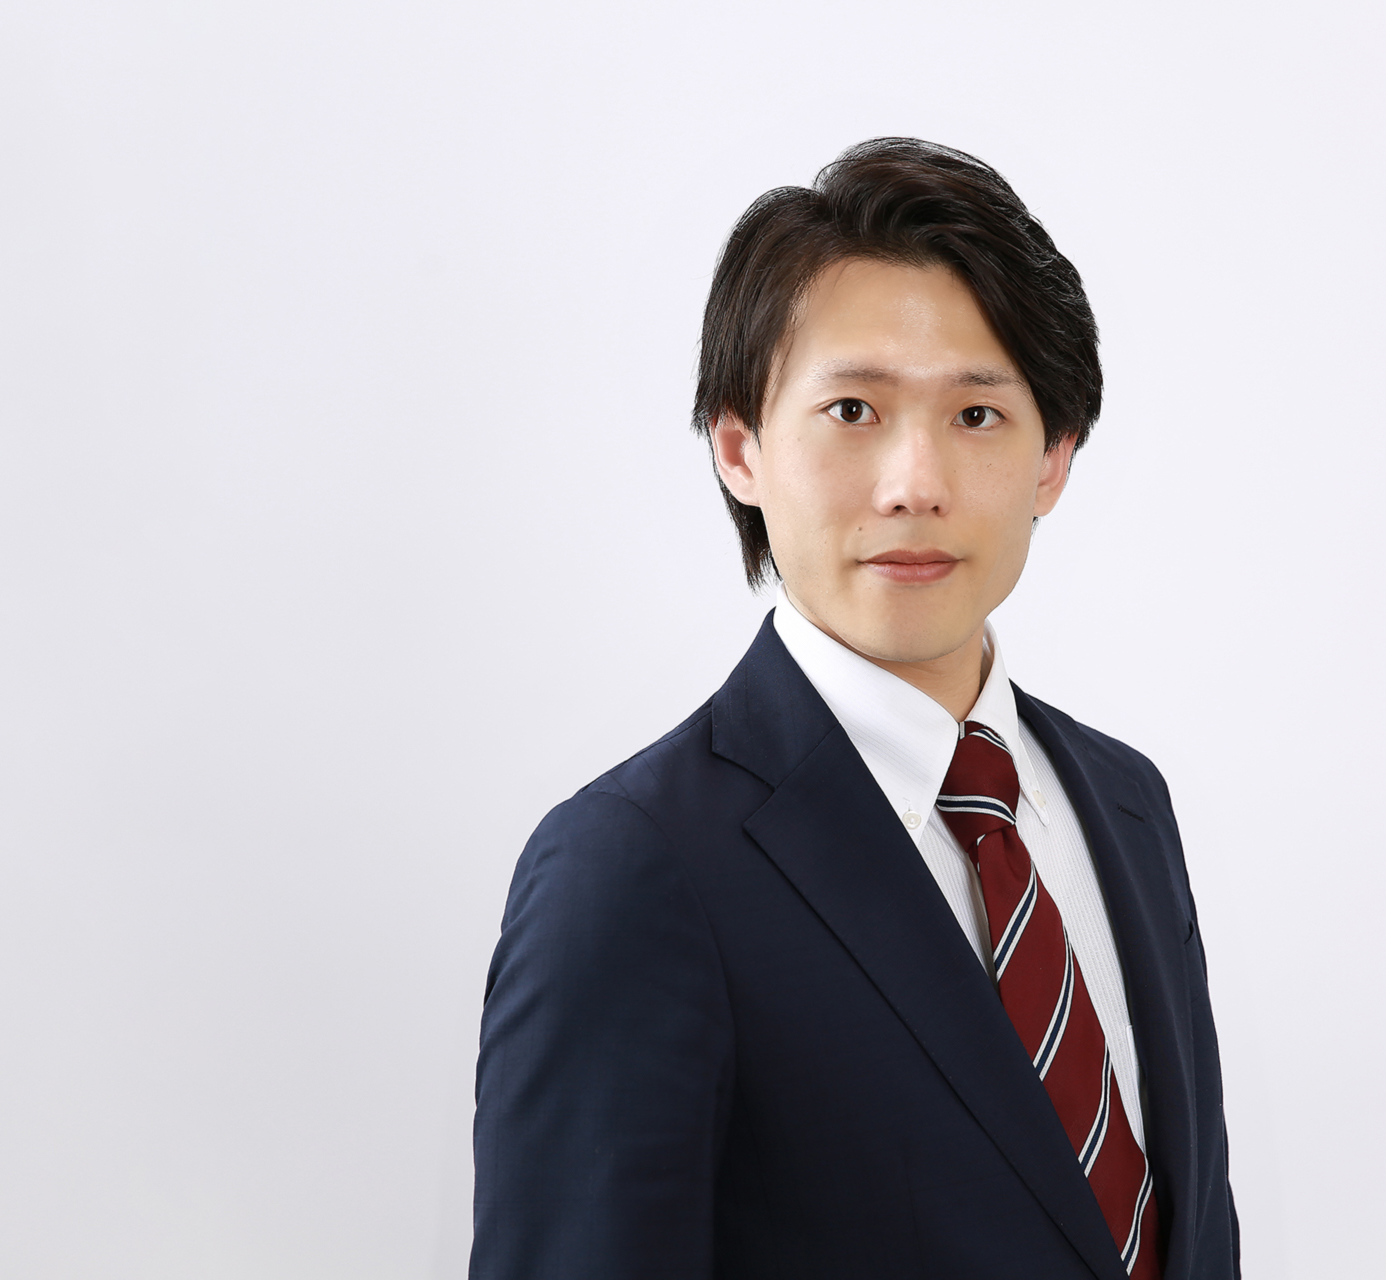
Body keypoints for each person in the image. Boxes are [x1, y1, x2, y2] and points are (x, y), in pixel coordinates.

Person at [469, 137, 1239, 1279]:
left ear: (1054, 458)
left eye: (977, 415)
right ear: (740, 448)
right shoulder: (632, 867)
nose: (914, 483)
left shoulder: (1124, 804)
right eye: (851, 409)